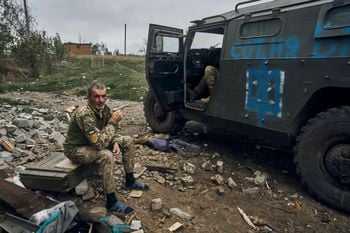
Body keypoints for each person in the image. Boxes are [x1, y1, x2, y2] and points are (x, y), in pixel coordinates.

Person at [63, 80, 149, 215]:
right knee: (106, 155)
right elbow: (99, 144)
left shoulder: (105, 109)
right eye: (96, 96)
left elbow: (111, 132)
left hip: (92, 143)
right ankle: (111, 201)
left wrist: (115, 141)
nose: (101, 100)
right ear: (89, 97)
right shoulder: (85, 114)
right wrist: (114, 121)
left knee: (127, 140)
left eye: (103, 96)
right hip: (76, 149)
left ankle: (130, 180)